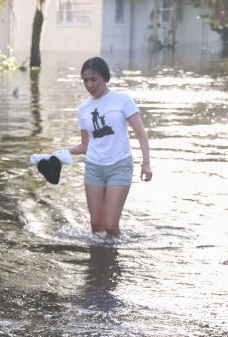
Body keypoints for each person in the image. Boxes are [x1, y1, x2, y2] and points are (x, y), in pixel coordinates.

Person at [51, 56, 152, 239]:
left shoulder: (123, 100)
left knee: (111, 225)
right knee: (96, 226)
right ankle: (100, 265)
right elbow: (85, 145)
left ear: (104, 77)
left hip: (119, 166)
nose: (89, 84)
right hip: (94, 168)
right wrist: (60, 151)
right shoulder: (83, 109)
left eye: (93, 79)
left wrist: (146, 163)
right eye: (85, 80)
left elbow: (140, 132)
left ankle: (116, 261)